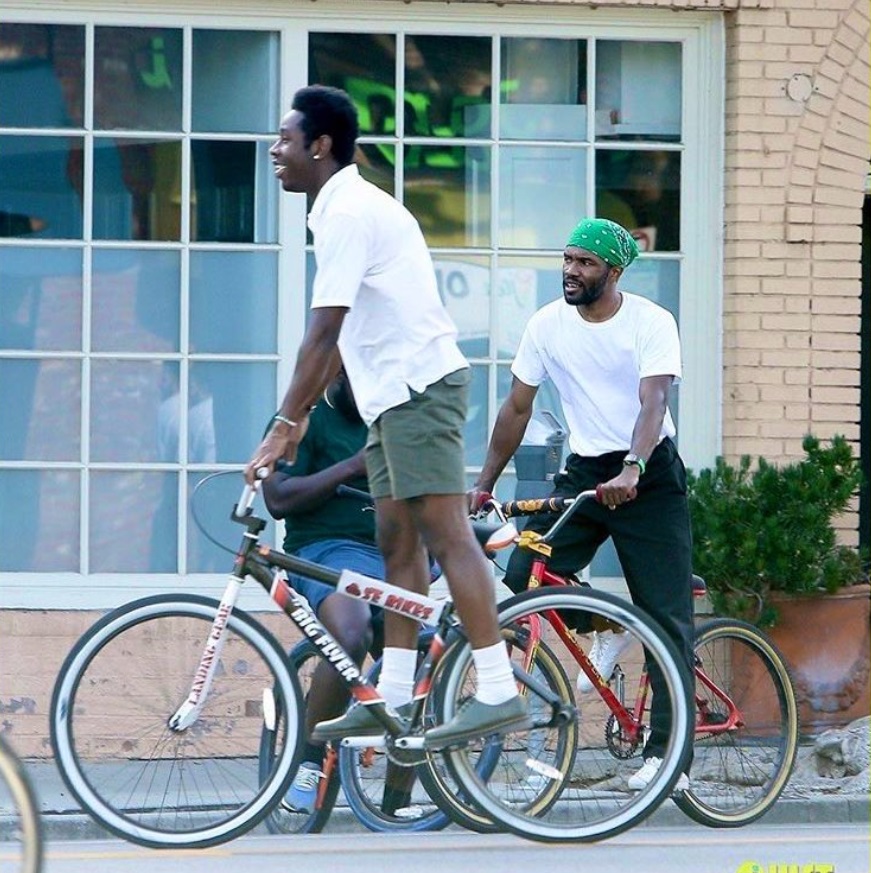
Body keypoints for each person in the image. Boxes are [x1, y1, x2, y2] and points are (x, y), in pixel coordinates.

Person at [245, 84, 527, 750]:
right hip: (389, 401)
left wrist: (286, 423)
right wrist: (302, 412)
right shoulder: (335, 210)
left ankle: (496, 689)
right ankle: (391, 696)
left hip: (419, 389)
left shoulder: (347, 211)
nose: (273, 150)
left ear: (319, 145)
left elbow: (324, 331)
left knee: (444, 533)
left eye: (284, 139)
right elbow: (340, 340)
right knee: (396, 543)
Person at [468, 217, 694, 790]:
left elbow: (653, 402)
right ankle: (604, 624)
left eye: (585, 263)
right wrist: (485, 481)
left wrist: (634, 467)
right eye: (567, 259)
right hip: (586, 471)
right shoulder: (547, 325)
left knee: (666, 616)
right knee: (525, 571)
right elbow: (518, 408)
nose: (571, 271)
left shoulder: (650, 321)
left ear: (613, 272)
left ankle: (670, 759)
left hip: (650, 472)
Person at [260, 370, 386, 813]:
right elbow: (276, 499)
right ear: (337, 371)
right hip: (325, 550)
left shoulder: (391, 415)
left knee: (428, 652)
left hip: (391, 551)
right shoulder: (306, 419)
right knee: (351, 632)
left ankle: (398, 801)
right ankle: (308, 760)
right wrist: (351, 467)